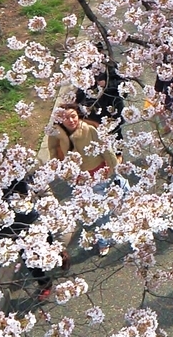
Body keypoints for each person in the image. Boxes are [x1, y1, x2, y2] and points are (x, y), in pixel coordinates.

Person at [48, 102, 121, 255]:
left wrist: (114, 169)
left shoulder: (89, 130)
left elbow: (106, 150)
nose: (71, 120)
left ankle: (104, 240)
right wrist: (56, 167)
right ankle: (111, 214)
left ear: (78, 115)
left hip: (97, 174)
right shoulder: (56, 133)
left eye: (73, 116)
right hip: (77, 179)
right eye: (66, 118)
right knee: (87, 209)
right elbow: (53, 150)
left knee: (100, 211)